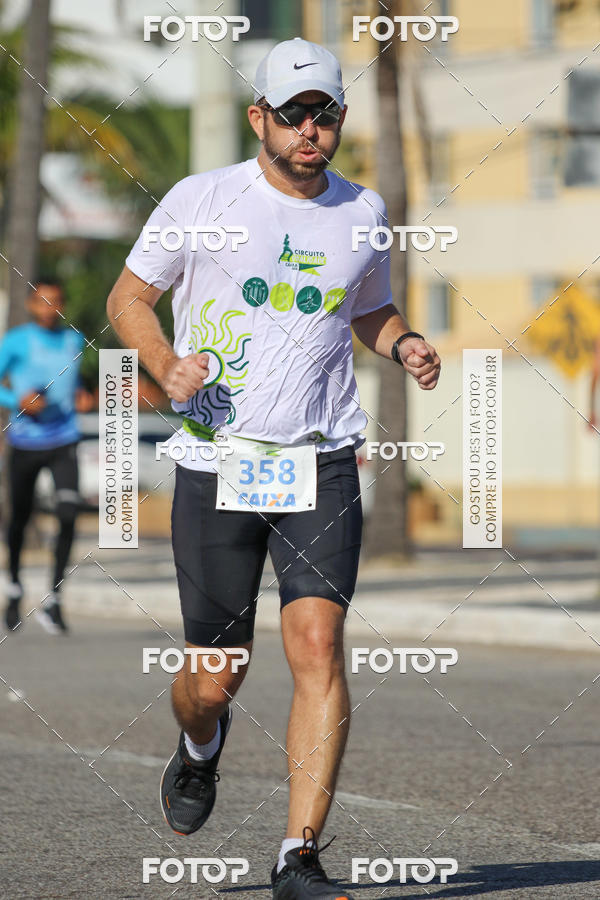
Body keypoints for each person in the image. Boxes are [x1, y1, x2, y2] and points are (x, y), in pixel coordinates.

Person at [107, 38, 441, 900]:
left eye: (324, 114)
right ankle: (198, 745)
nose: (309, 130)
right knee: (215, 678)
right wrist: (162, 364)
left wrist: (400, 340)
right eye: (292, 114)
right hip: (219, 459)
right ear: (260, 117)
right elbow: (127, 298)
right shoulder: (202, 199)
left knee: (318, 643)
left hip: (321, 461)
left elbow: (368, 306)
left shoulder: (363, 211)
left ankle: (298, 855)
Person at [0, 277, 90, 634]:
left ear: (62, 306)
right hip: (25, 442)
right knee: (20, 519)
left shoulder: (74, 340)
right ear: (32, 305)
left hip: (64, 439)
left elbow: (75, 384)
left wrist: (84, 394)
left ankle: (53, 599)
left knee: (68, 512)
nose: (49, 308)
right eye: (43, 302)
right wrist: (16, 401)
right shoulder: (16, 340)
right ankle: (14, 590)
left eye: (55, 302)